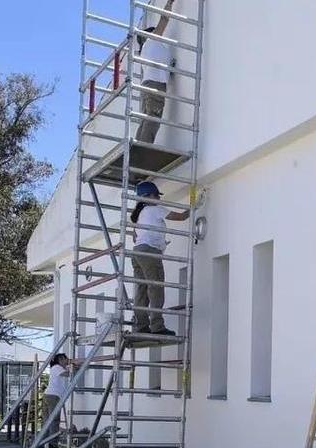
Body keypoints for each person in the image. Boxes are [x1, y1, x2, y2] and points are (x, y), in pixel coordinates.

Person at [130, 181, 188, 335]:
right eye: (156, 195)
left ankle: (140, 326)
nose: (159, 199)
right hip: (149, 253)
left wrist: (160, 242)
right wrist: (195, 205)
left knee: (142, 290)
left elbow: (134, 237)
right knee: (156, 289)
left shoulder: (139, 214)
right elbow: (181, 217)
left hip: (137, 253)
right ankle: (157, 326)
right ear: (147, 196)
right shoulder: (154, 209)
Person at [135, 0, 177, 144]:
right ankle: (143, 148)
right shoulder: (152, 41)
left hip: (146, 85)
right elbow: (164, 19)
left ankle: (138, 147)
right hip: (156, 85)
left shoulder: (146, 51)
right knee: (153, 119)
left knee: (146, 119)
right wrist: (169, 3)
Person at [43, 354, 70, 448]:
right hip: (53, 397)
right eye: (66, 359)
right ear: (60, 359)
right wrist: (76, 368)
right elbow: (67, 374)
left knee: (47, 422)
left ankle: (40, 444)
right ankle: (53, 445)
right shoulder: (57, 367)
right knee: (54, 421)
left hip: (49, 395)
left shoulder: (55, 368)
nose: (67, 361)